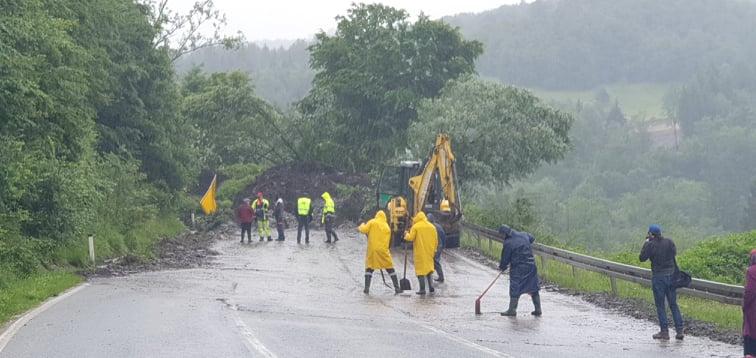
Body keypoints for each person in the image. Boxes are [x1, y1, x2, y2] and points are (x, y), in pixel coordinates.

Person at [639, 224, 684, 340]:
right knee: (673, 304)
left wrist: (646, 243)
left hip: (659, 277)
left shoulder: (650, 245)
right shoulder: (669, 242)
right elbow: (674, 253)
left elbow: (642, 258)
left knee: (660, 305)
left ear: (651, 234)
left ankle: (664, 332)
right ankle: (679, 330)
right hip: (671, 276)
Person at [498, 225, 541, 317]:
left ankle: (512, 310)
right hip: (531, 266)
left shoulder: (508, 243)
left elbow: (505, 258)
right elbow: (532, 239)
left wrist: (502, 267)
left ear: (504, 234)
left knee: (515, 288)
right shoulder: (524, 234)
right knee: (533, 287)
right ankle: (538, 309)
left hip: (518, 268)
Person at [358, 210, 401, 294]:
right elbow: (388, 242)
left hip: (373, 250)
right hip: (383, 251)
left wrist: (361, 225)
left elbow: (363, 230)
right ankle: (397, 288)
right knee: (390, 268)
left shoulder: (372, 222)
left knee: (369, 268)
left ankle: (366, 288)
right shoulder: (387, 227)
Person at [404, 212, 438, 295]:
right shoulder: (432, 227)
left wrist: (406, 234)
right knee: (429, 270)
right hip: (430, 251)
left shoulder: (416, 227)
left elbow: (411, 238)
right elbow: (436, 240)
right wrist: (434, 250)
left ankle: (422, 289)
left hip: (420, 252)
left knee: (420, 271)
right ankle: (431, 287)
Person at [427, 213, 446, 283]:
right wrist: (443, 246)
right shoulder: (438, 226)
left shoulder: (431, 227)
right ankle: (432, 275)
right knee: (434, 261)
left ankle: (440, 277)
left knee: (435, 261)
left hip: (436, 246)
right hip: (438, 246)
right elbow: (443, 237)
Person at [744, 249, 756, 357]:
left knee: (751, 335)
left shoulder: (751, 271)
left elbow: (750, 291)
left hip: (753, 309)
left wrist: (745, 305)